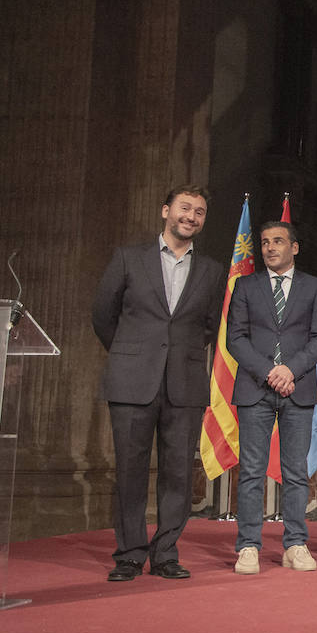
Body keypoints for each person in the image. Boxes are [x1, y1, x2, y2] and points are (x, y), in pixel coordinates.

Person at [91, 185, 225, 581]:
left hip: (183, 384)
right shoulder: (128, 258)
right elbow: (103, 314)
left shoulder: (212, 270)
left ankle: (165, 552)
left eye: (199, 212)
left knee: (179, 473)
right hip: (132, 382)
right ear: (166, 211)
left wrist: (174, 354)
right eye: (185, 208)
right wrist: (132, 353)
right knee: (130, 471)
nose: (191, 216)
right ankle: (130, 554)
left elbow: (209, 325)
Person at [225, 221, 317, 574]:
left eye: (278, 241)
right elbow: (235, 338)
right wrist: (270, 371)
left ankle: (296, 543)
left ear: (294, 248)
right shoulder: (245, 286)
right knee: (252, 471)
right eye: (266, 242)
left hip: (297, 389)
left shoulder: (314, 287)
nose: (270, 248)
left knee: (296, 472)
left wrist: (290, 371)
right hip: (255, 389)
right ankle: (249, 546)